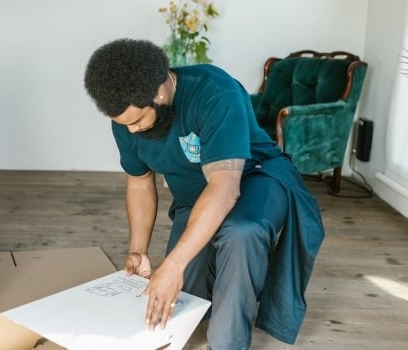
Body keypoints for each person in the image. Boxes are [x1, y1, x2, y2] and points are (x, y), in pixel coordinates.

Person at [83, 38, 325, 349]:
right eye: (123, 124)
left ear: (159, 92)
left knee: (240, 231)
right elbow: (140, 182)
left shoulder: (214, 92)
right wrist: (139, 251)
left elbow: (224, 189)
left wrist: (172, 264)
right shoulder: (126, 121)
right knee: (188, 296)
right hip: (195, 196)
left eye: (137, 121)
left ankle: (228, 343)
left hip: (257, 177)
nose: (130, 131)